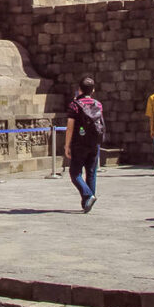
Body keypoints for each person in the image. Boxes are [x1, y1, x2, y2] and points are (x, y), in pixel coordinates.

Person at [64, 76, 104, 213]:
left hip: (79, 143)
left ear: (79, 89)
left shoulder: (75, 105)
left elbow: (70, 127)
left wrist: (66, 145)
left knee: (75, 173)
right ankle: (87, 202)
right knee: (91, 173)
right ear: (93, 90)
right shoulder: (98, 104)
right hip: (94, 143)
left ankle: (88, 196)